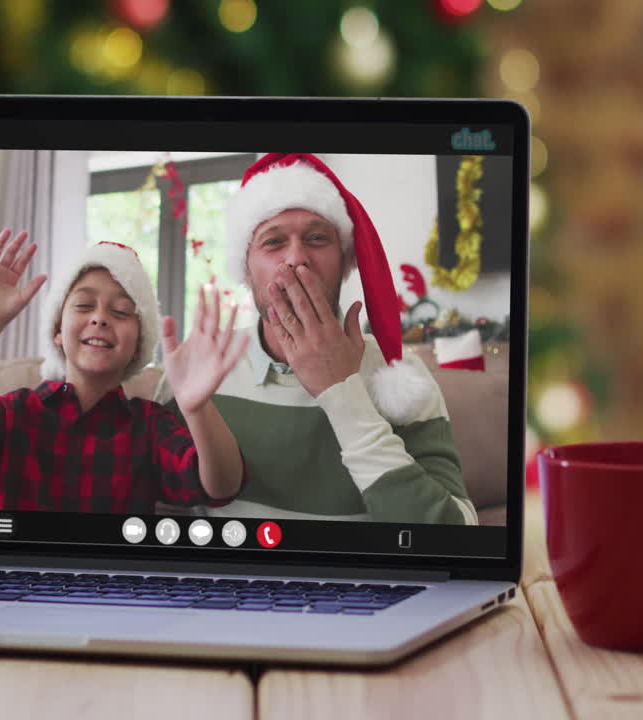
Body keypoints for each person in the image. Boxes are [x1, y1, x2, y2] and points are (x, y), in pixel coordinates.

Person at [154, 153, 477, 524]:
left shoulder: (401, 377)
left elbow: (457, 535)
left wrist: (343, 394)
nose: (296, 258)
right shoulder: (196, 369)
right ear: (245, 270)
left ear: (345, 261)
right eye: (273, 242)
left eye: (317, 238)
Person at [0, 230, 251, 513]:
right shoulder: (16, 413)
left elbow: (219, 487)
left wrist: (197, 406)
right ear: (58, 331)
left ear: (138, 345)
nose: (100, 317)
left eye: (121, 311)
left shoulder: (149, 424)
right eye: (84, 305)